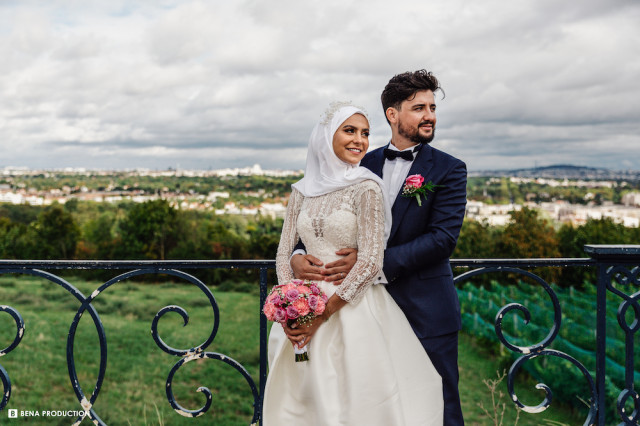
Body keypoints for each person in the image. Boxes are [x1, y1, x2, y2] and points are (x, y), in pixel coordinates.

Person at [291, 71, 467, 425]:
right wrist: (296, 256)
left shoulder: (449, 169)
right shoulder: (358, 162)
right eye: (419, 108)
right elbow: (318, 215)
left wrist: (371, 262)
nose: (429, 115)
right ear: (392, 114)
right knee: (371, 406)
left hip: (425, 310)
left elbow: (442, 239)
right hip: (359, 312)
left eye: (432, 107)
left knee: (438, 405)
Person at [262, 103, 444, 425]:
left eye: (365, 133)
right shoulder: (301, 191)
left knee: (353, 398)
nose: (360, 140)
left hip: (350, 305)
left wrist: (323, 313)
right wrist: (291, 301)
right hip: (305, 302)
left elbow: (372, 258)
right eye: (350, 131)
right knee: (303, 399)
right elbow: (283, 251)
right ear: (326, 137)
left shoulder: (366, 186)